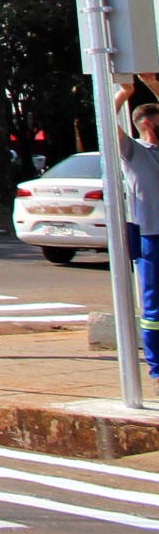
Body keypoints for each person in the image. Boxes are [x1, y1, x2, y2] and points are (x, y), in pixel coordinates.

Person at [117, 80, 159, 381]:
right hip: (151, 236)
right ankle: (158, 371)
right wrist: (123, 95)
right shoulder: (133, 151)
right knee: (154, 308)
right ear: (146, 123)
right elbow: (105, 123)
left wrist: (154, 84)